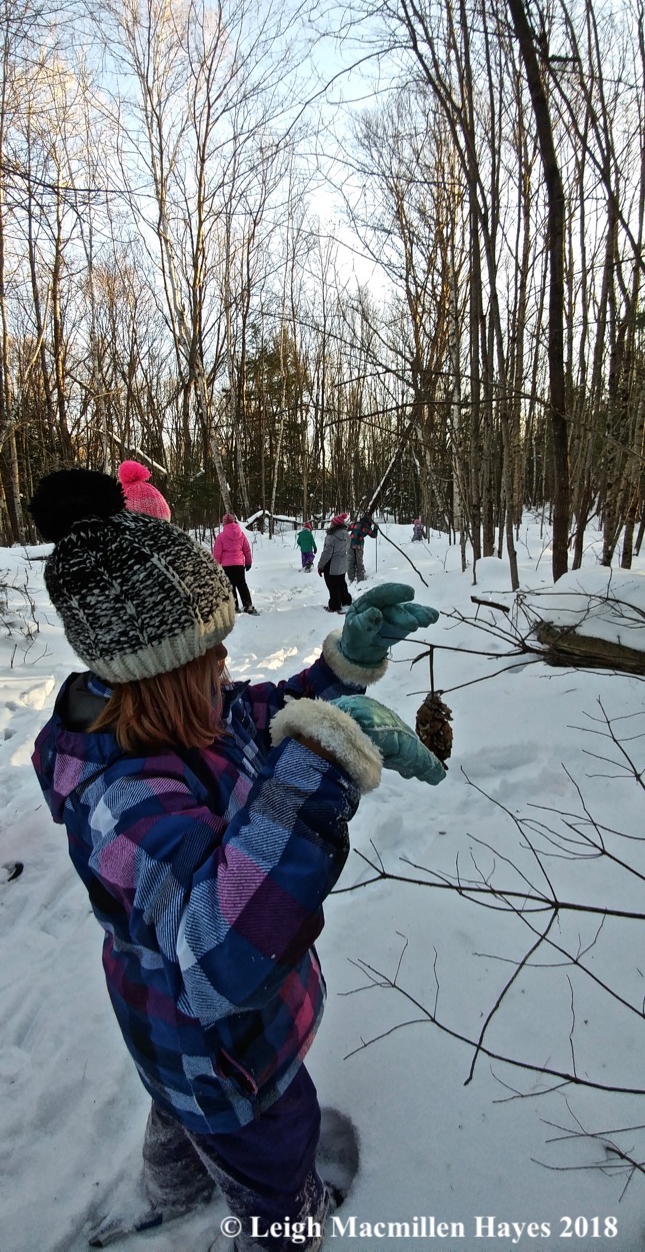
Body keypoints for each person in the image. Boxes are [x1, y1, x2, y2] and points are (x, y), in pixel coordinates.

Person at [28, 467, 445, 1252]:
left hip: (177, 1042)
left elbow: (260, 713)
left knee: (178, 1109)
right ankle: (284, 1230)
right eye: (207, 654)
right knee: (267, 1151)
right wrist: (319, 759)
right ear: (153, 670)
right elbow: (223, 951)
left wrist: (340, 669)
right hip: (223, 1048)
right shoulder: (122, 796)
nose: (225, 667)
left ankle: (171, 1186)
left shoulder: (175, 716)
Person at [213, 512, 258, 615]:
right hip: (239, 565)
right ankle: (248, 605)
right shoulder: (241, 535)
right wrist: (248, 562)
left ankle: (234, 607)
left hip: (226, 567)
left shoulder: (221, 536)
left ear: (224, 523)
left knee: (230, 586)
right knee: (242, 585)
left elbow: (217, 553)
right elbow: (246, 549)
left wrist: (216, 565)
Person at [317, 512, 351, 613]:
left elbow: (327, 553)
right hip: (343, 563)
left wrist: (320, 566)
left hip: (331, 565)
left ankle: (334, 606)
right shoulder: (346, 535)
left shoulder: (331, 537)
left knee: (332, 586)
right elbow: (348, 547)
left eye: (332, 523)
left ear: (334, 524)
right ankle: (346, 601)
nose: (330, 524)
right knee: (341, 583)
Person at [347, 514, 378, 584]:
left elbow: (348, 528)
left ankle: (351, 578)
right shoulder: (367, 527)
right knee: (359, 562)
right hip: (359, 545)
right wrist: (376, 528)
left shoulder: (355, 524)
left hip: (349, 543)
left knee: (350, 561)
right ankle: (360, 579)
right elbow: (374, 535)